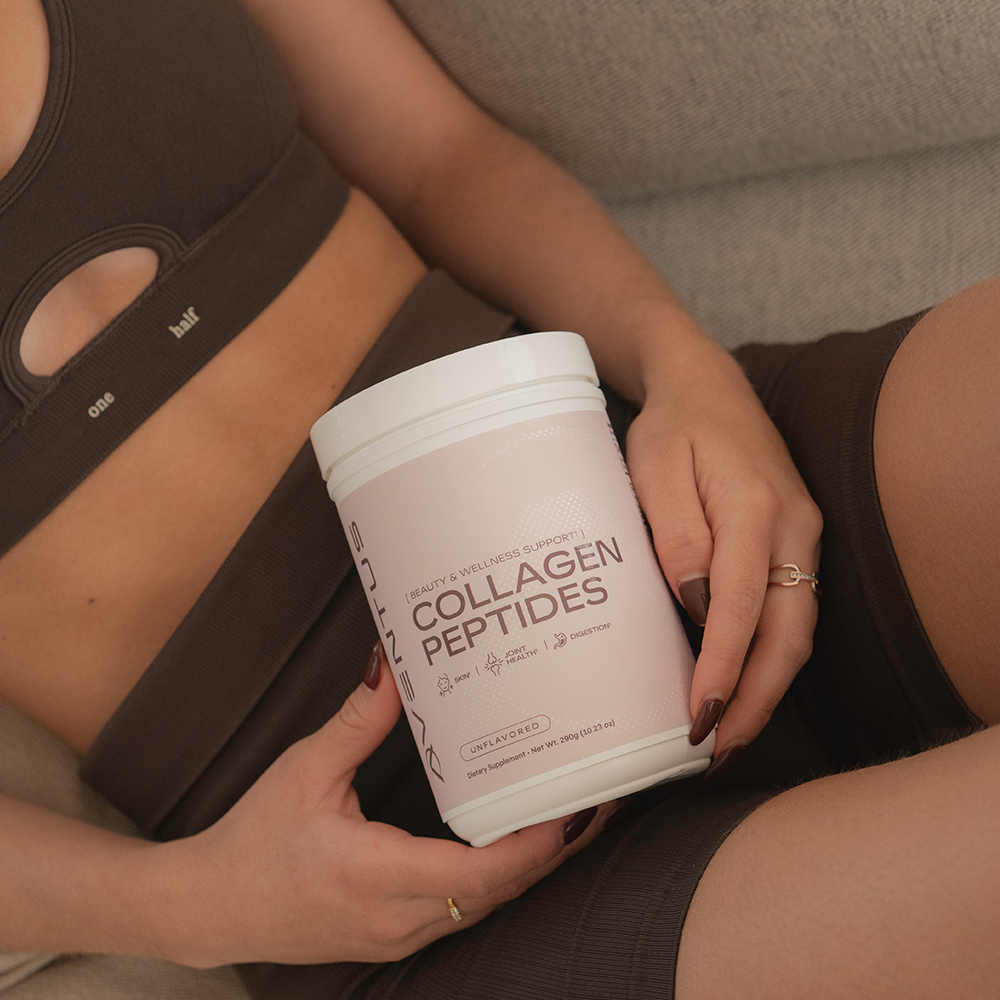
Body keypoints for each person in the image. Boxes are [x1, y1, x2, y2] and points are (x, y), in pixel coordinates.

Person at [0, 0, 997, 997]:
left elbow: (438, 154)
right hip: (381, 880)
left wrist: (686, 373)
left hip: (637, 512)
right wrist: (196, 902)